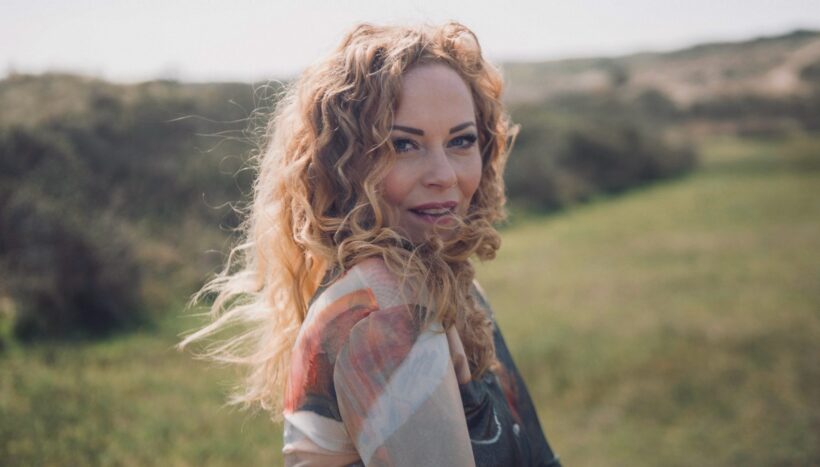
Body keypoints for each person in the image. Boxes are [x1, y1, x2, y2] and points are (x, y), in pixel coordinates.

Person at [179, 21, 561, 466]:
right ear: (342, 164)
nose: (444, 176)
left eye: (461, 140)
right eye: (403, 145)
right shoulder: (383, 314)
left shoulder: (455, 286)